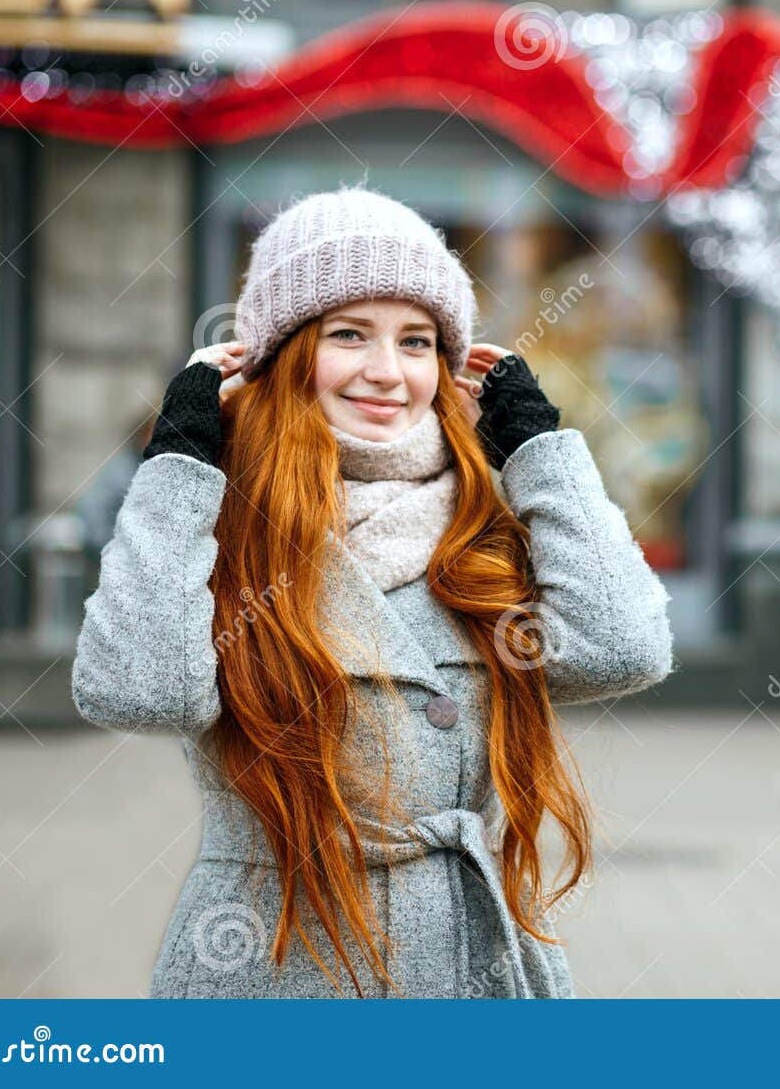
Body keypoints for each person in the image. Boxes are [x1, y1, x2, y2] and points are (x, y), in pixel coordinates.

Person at [71, 186, 674, 998]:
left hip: (471, 964)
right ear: (283, 354)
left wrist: (542, 454)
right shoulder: (224, 523)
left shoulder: (485, 527)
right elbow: (140, 693)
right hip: (274, 969)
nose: (388, 372)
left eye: (417, 341)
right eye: (350, 334)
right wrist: (182, 463)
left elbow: (625, 649)